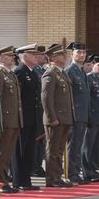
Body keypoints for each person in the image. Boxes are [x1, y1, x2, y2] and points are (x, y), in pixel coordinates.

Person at [40, 45, 73, 188]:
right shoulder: (50, 73)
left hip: (64, 118)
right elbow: (46, 98)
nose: (64, 57)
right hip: (55, 119)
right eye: (60, 55)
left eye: (64, 55)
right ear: (53, 58)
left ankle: (57, 176)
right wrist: (52, 117)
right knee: (53, 150)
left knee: (59, 150)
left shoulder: (62, 73)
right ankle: (52, 179)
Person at [14, 45, 44, 189]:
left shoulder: (32, 73)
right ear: (24, 56)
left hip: (32, 119)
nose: (36, 57)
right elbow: (17, 99)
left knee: (29, 151)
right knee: (20, 150)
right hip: (23, 119)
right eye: (33, 54)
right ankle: (18, 180)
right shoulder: (19, 72)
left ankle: (26, 181)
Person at [0, 47, 22, 193]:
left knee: (8, 152)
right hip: (5, 119)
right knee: (2, 152)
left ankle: (5, 180)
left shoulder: (10, 74)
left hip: (14, 119)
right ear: (1, 58)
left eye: (12, 56)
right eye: (9, 56)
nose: (12, 58)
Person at [64, 43, 90, 185]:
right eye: (79, 52)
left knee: (78, 145)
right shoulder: (70, 71)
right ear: (72, 54)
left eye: (84, 53)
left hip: (82, 115)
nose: (82, 55)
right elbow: (68, 97)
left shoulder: (81, 71)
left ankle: (76, 171)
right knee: (73, 146)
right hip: (74, 115)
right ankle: (71, 173)